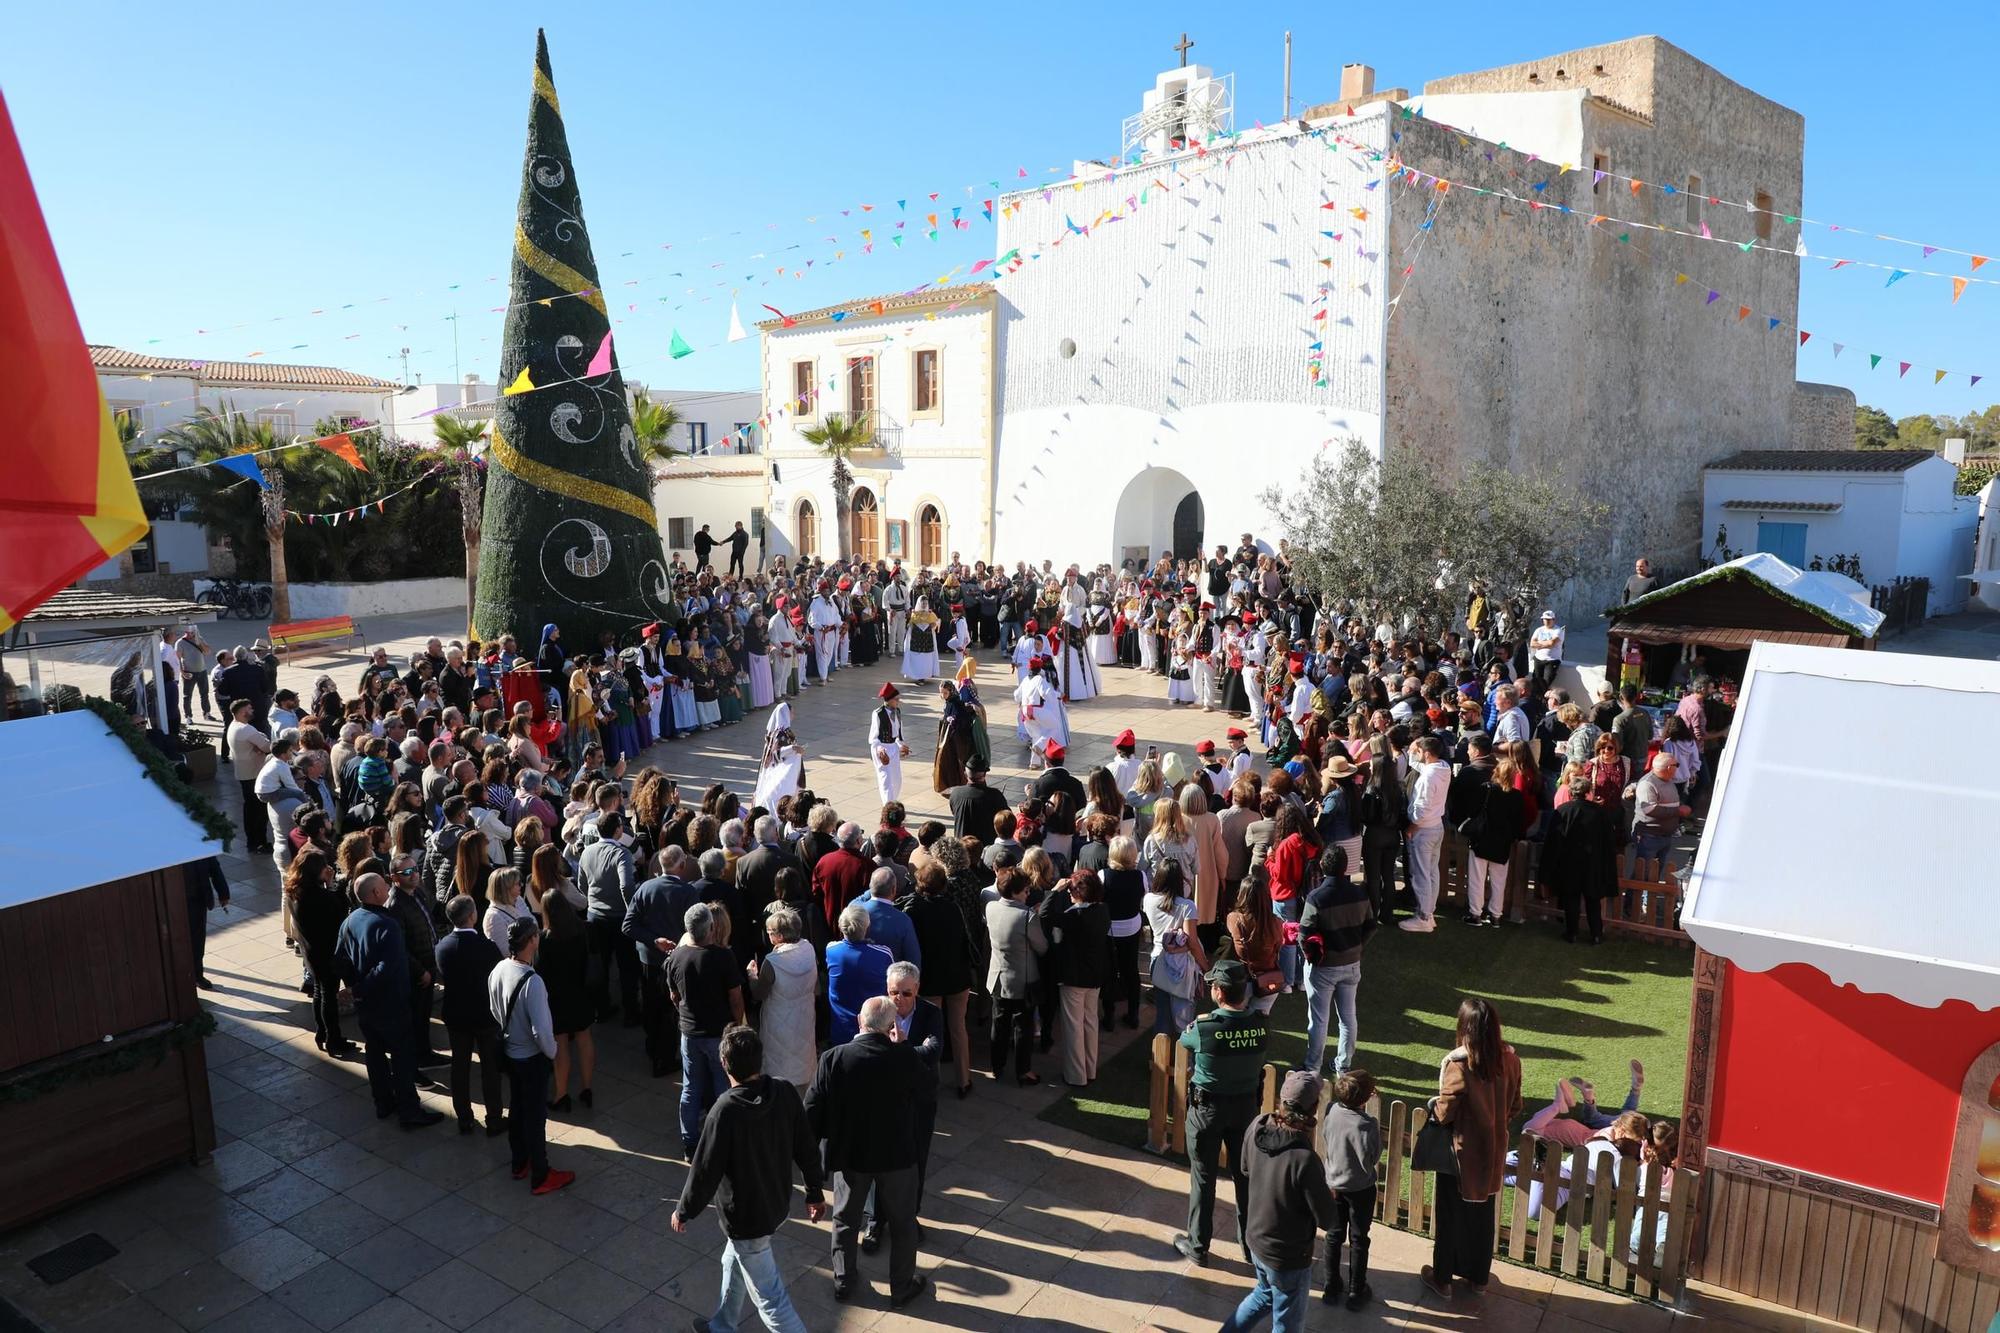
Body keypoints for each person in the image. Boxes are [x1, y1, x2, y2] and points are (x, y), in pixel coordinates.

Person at [673, 1026, 826, 1333]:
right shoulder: (783, 1091)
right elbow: (807, 1148)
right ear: (760, 1059)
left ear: (724, 1064)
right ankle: (722, 1326)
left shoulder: (724, 1111)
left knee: (771, 1301)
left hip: (746, 1219)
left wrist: (684, 1210)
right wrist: (814, 1193)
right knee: (733, 1260)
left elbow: (704, 1171)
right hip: (775, 1205)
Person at [805, 995, 930, 1308]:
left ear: (859, 1022)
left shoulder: (833, 1058)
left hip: (851, 1157)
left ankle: (844, 1281)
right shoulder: (904, 1057)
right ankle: (901, 1288)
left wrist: (811, 1164)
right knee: (903, 1225)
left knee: (846, 1221)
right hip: (898, 1158)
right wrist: (902, 1046)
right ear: (891, 1027)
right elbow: (926, 1092)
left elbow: (811, 1112)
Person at [1423, 996, 1523, 1299]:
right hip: (1493, 1152)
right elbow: (1516, 1105)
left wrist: (1434, 1107)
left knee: (1450, 1216)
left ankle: (1443, 1280)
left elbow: (1445, 1111)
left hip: (1461, 1153)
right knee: (1482, 1218)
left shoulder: (1459, 1064)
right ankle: (1479, 1279)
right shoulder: (1511, 1060)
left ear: (1464, 1027)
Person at [1224, 1069, 1339, 1332]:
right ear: (1313, 1108)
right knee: (1288, 1323)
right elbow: (1327, 1220)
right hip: (1287, 1256)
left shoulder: (1257, 1125)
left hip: (1256, 1240)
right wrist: (1328, 1196)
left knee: (1263, 1294)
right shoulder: (1305, 1160)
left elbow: (1244, 1168)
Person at [1174, 959, 1271, 1267]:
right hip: (1245, 1110)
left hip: (1207, 1110)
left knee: (1203, 1178)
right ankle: (1248, 1247)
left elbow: (1183, 1039)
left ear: (1217, 992)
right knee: (1245, 1179)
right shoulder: (1260, 1024)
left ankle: (1198, 1245)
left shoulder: (1205, 1028)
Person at [334, 872, 443, 1129]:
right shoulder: (387, 924)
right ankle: (409, 1110)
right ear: (375, 894)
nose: (387, 889)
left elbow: (339, 960)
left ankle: (383, 1102)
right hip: (391, 1004)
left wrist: (355, 988)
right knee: (403, 1057)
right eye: (384, 886)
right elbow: (389, 967)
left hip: (367, 1007)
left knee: (375, 1053)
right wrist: (361, 988)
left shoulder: (349, 921)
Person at [489, 916, 577, 1195]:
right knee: (536, 1118)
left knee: (516, 1109)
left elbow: (493, 1007)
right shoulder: (533, 981)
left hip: (510, 1054)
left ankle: (520, 1162)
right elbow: (541, 1030)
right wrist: (553, 1052)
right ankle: (541, 1174)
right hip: (531, 1058)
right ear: (532, 941)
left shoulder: (500, 968)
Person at [666, 901, 748, 1156]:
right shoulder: (723, 957)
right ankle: (722, 1138)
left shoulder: (676, 957)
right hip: (718, 1034)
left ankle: (690, 1143)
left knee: (691, 1088)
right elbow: (735, 997)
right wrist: (737, 1025)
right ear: (711, 928)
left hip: (689, 1034)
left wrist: (685, 1013)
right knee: (722, 1086)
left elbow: (674, 995)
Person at [435, 894, 508, 1137]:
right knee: (490, 1068)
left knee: (460, 1066)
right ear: (472, 916)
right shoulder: (486, 948)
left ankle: (464, 1118)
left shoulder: (443, 947)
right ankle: (494, 1118)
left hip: (456, 1015)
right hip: (484, 1017)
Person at [1300, 846, 1374, 1077]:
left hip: (1323, 967)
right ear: (1346, 867)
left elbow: (1304, 933)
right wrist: (1358, 947)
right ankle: (1343, 1065)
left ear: (1323, 865)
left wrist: (1312, 956)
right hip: (1351, 964)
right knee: (1347, 1017)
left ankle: (1313, 1066)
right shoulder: (1360, 893)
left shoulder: (1316, 897)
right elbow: (1371, 926)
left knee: (1319, 1019)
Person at [905, 863, 974, 1098]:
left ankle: (931, 1080)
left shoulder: (914, 910)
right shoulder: (953, 907)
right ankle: (964, 1080)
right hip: (957, 977)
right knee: (958, 1028)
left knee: (931, 1033)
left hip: (931, 978)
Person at [1317, 1069, 1383, 1310]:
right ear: (1365, 1098)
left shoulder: (1331, 1110)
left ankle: (1331, 1286)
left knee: (1333, 1237)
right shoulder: (1368, 1124)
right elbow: (1373, 1156)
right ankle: (1356, 1291)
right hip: (1360, 1190)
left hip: (1333, 1185)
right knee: (1358, 1239)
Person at [1043, 869, 1111, 1087]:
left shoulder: (1074, 916)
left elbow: (1044, 914)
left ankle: (1076, 1075)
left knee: (1074, 1026)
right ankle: (1090, 1070)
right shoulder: (1102, 911)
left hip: (1074, 977)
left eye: (1075, 888)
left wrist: (1054, 891)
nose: (1071, 892)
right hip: (1095, 975)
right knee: (1090, 1022)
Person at [984, 865, 1047, 1085]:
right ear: (1015, 892)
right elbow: (1042, 947)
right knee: (1024, 1027)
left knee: (999, 1025)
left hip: (998, 978)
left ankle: (996, 1066)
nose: (1028, 894)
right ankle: (1023, 1071)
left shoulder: (991, 907)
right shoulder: (1027, 916)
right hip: (1023, 981)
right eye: (1025, 891)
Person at [1540, 773, 1621, 943]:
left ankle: (1572, 933)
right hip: (1593, 862)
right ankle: (1596, 934)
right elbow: (1609, 841)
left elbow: (1553, 841)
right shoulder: (1600, 813)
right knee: (1593, 900)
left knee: (1571, 898)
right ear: (1588, 791)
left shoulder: (1562, 811)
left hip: (1570, 863)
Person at [748, 902, 818, 1089]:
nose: (768, 935)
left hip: (778, 1019)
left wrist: (751, 975)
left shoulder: (773, 961)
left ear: (779, 936)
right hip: (804, 1014)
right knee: (803, 1058)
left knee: (778, 1066)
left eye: (770, 932)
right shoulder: (808, 949)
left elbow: (759, 993)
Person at [1400, 738, 1450, 933]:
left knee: (1421, 874)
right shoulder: (1442, 767)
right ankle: (1428, 913)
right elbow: (1418, 763)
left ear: (1427, 753)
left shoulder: (1428, 777)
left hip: (1424, 829)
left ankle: (1423, 916)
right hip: (1436, 826)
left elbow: (1421, 808)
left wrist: (1412, 827)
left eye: (1419, 751)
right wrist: (1414, 748)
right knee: (1431, 872)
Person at [826, 903, 892, 1045]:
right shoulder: (883, 954)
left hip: (841, 1030)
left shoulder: (831, 950)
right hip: (875, 1031)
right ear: (867, 926)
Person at [1627, 751, 1690, 876]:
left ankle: (1649, 894)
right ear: (1668, 768)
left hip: (1664, 835)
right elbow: (1650, 809)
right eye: (1676, 765)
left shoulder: (1667, 779)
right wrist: (1678, 811)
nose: (1678, 768)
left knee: (1656, 870)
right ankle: (1634, 895)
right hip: (1649, 836)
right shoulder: (1648, 783)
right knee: (1644, 870)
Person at [226, 699, 274, 852]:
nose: (252, 710)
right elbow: (267, 746)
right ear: (242, 712)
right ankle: (260, 842)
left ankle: (252, 842)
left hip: (244, 773)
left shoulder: (234, 727)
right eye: (249, 708)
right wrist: (261, 743)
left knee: (250, 810)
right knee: (259, 811)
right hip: (254, 774)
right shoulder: (246, 730)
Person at [183, 856, 229, 990]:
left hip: (197, 900)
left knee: (197, 941)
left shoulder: (199, 844)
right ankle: (188, 975)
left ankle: (197, 975)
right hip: (176, 900)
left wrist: (223, 893)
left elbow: (214, 869)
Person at [946, 753, 1009, 847]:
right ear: (984, 775)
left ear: (965, 774)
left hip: (961, 847)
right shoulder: (994, 795)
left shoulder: (955, 793)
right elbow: (1006, 819)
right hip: (985, 848)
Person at [868, 682, 908, 803]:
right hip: (881, 748)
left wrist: (901, 745)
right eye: (896, 699)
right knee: (885, 779)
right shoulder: (878, 714)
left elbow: (898, 732)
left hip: (893, 747)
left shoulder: (898, 711)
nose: (898, 701)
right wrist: (879, 749)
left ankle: (892, 801)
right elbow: (873, 737)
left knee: (896, 779)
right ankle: (888, 806)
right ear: (889, 700)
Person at [1527, 611, 1565, 697]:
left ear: (1553, 620)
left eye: (1549, 619)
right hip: (1538, 659)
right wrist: (1545, 644)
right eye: (1545, 619)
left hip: (1552, 660)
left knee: (1546, 682)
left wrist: (1540, 644)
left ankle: (1543, 700)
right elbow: (1532, 644)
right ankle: (1535, 698)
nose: (1547, 621)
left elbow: (1552, 643)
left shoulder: (1558, 631)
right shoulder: (1539, 630)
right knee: (1535, 681)